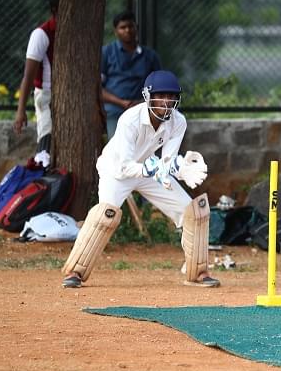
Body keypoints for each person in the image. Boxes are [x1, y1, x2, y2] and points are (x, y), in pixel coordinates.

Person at [61, 70, 219, 289]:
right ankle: (75, 272)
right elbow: (125, 166)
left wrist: (179, 168)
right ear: (148, 96)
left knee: (193, 212)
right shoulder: (130, 120)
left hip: (149, 170)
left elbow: (166, 161)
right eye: (161, 96)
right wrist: (156, 168)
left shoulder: (178, 121)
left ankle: (198, 271)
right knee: (105, 215)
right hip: (116, 171)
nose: (167, 102)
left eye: (171, 97)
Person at [13, 0, 60, 155]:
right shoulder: (41, 34)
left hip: (69, 94)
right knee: (47, 138)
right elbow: (28, 75)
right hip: (47, 95)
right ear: (55, 9)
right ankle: (42, 171)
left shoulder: (76, 33)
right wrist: (21, 110)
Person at [100, 11, 161, 138]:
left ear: (136, 28)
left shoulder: (150, 56)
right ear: (116, 31)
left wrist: (142, 102)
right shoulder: (106, 53)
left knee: (141, 149)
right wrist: (122, 103)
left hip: (142, 111)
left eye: (130, 26)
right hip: (114, 111)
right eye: (122, 27)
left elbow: (159, 87)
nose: (127, 30)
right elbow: (98, 88)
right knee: (118, 147)